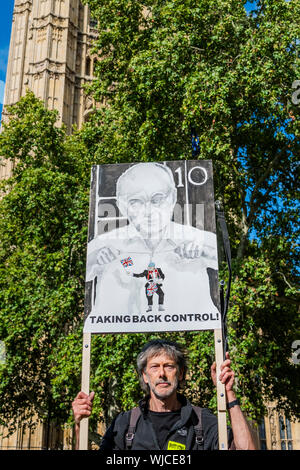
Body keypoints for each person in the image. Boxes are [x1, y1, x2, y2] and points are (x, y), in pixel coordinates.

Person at [84, 163, 220, 331]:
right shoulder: (107, 241)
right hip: (112, 337)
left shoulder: (195, 237)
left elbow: (224, 261)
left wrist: (203, 250)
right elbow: (82, 271)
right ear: (122, 205)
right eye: (136, 202)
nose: (148, 211)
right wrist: (97, 257)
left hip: (193, 334)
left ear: (172, 198)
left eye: (157, 199)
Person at [72, 339, 256, 450]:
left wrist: (229, 394)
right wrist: (80, 424)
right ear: (145, 376)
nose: (162, 373)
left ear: (181, 373)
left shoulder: (201, 421)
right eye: (154, 367)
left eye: (169, 366)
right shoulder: (126, 424)